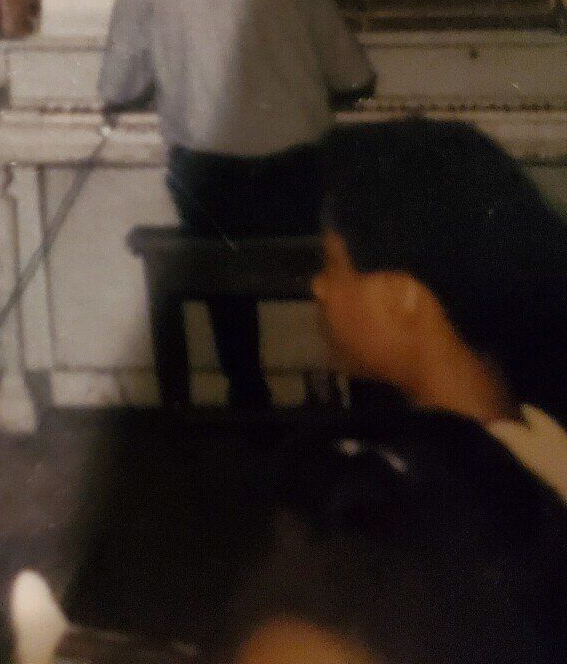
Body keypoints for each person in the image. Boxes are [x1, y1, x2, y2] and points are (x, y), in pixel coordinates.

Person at [222, 119, 567, 663]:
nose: (318, 286)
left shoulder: (392, 484)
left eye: (335, 266)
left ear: (406, 296)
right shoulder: (540, 439)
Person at [99, 0, 375, 409]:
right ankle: (350, 387)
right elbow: (356, 79)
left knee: (211, 219)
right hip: (299, 183)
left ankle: (246, 389)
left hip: (212, 188)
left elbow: (117, 89)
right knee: (344, 204)